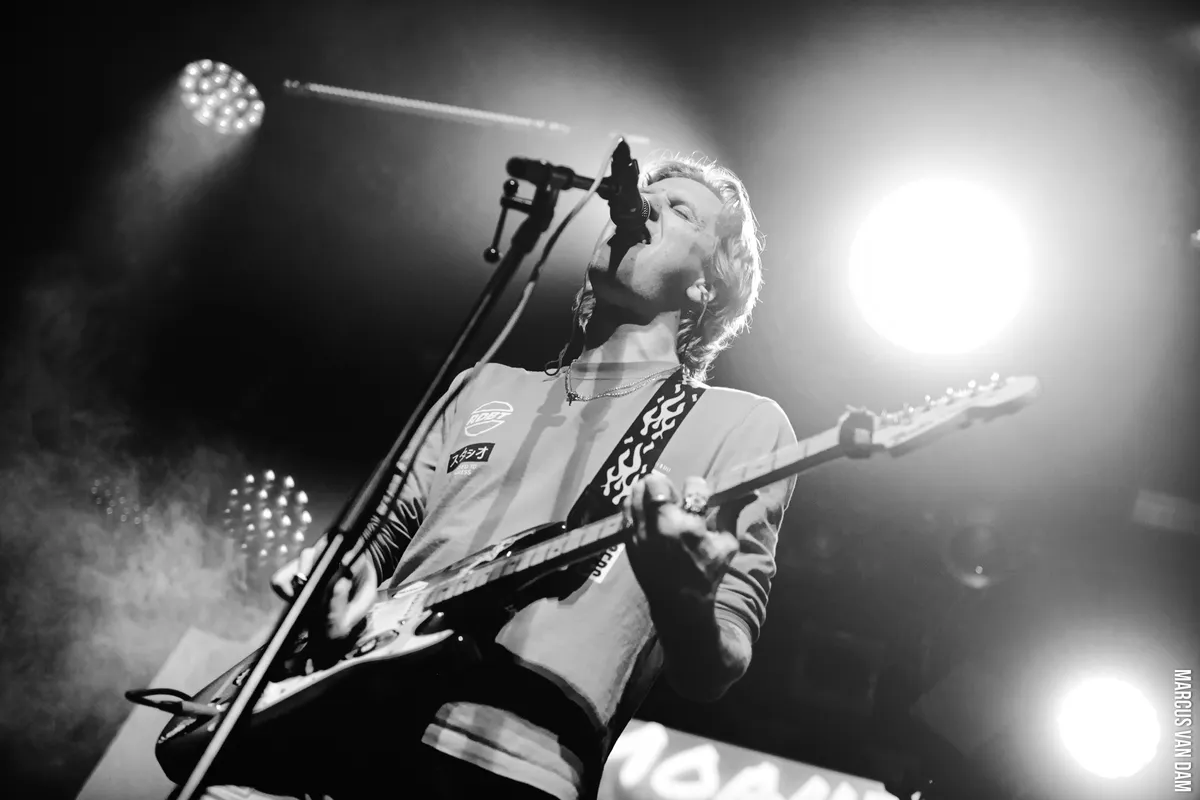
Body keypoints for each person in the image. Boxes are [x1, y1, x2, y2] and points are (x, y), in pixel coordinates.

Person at [205, 155, 797, 800]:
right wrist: (338, 580)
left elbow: (716, 668)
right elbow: (381, 537)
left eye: (679, 211)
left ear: (707, 288)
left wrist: (682, 595)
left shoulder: (740, 424)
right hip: (342, 720)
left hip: (508, 764)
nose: (645, 204)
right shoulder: (484, 386)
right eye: (644, 194)